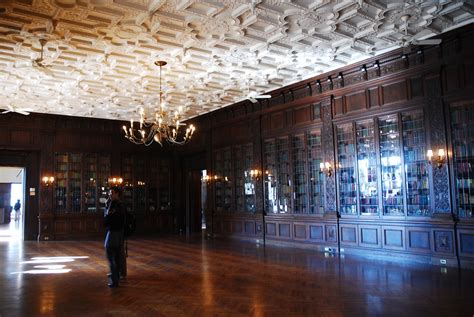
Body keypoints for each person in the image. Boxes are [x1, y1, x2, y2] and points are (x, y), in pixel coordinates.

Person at [104, 186, 125, 288]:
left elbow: (107, 219)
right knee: (115, 257)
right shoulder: (118, 205)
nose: (110, 195)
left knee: (111, 256)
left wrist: (108, 208)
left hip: (113, 233)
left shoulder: (115, 205)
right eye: (109, 193)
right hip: (117, 232)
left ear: (117, 194)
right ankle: (116, 277)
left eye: (112, 193)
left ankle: (115, 280)